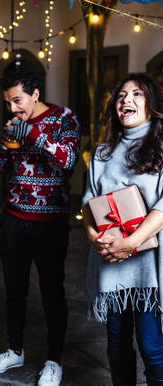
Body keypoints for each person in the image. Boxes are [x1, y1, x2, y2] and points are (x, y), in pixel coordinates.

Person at [0, 68, 80, 386]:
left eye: (18, 100)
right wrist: (3, 144)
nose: (13, 108)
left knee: (52, 292)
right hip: (14, 218)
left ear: (35, 94)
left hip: (50, 222)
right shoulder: (13, 123)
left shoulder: (64, 117)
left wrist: (33, 135)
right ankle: (15, 350)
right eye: (8, 102)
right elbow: (2, 167)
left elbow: (68, 161)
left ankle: (54, 360)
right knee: (14, 291)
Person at [82, 74, 163, 386]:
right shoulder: (101, 154)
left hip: (149, 271)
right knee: (116, 344)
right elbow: (89, 200)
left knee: (152, 348)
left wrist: (132, 241)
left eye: (137, 94)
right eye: (121, 96)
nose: (126, 100)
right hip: (111, 263)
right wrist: (93, 237)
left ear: (152, 105)